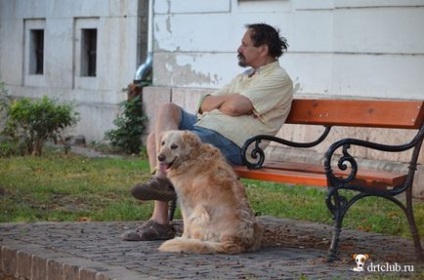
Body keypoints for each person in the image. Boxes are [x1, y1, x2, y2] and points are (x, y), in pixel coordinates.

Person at [121, 23, 293, 241]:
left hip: (233, 143)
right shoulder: (245, 78)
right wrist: (224, 102)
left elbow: (234, 107)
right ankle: (162, 184)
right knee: (166, 114)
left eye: (244, 44)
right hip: (206, 128)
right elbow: (203, 104)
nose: (239, 49)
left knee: (166, 143)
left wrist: (222, 103)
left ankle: (160, 215)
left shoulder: (277, 78)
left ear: (263, 49)